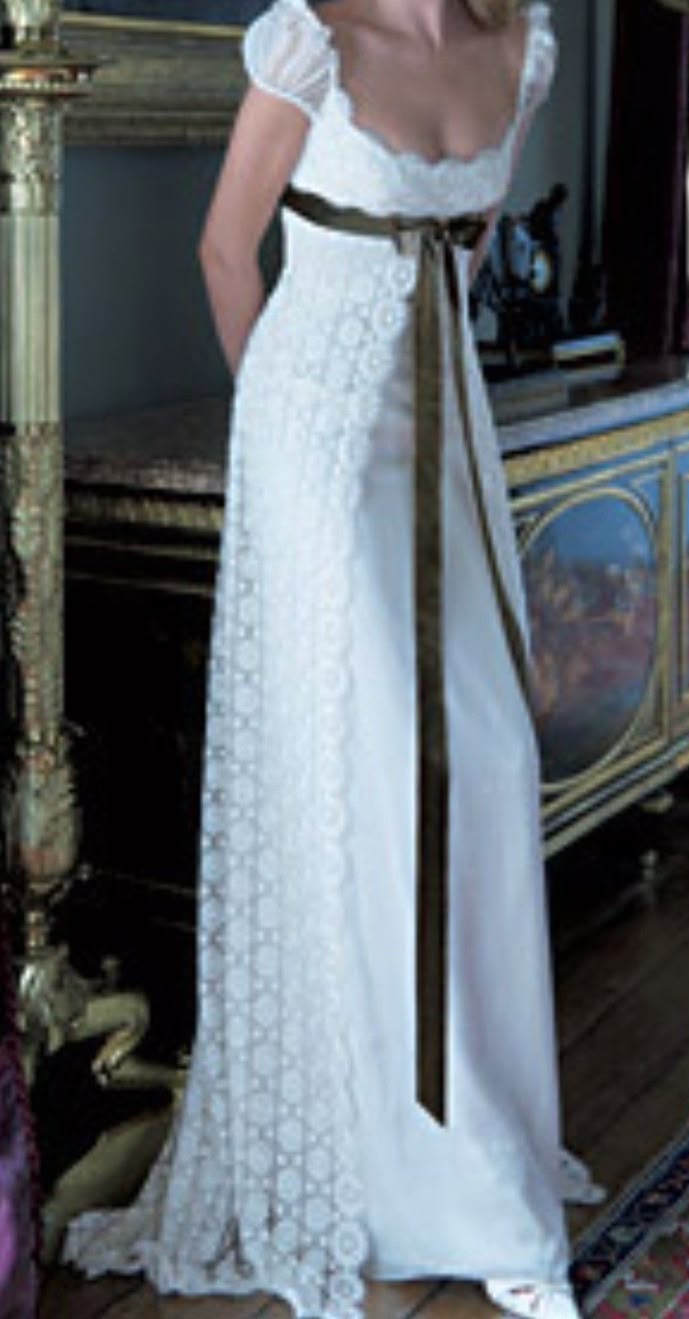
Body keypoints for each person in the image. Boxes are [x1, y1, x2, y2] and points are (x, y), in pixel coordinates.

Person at [62, 2, 603, 1316]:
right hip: (314, 443)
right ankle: (432, 1188)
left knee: (487, 759)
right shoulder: (307, 39)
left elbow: (464, 261)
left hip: (444, 444)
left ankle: (475, 1137)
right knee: (383, 774)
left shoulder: (523, 48)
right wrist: (289, 458)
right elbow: (224, 250)